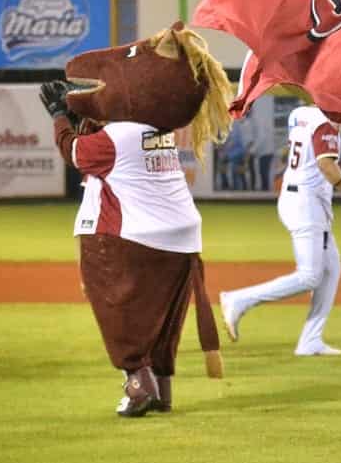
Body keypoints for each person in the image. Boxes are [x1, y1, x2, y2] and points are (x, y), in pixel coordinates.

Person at [41, 22, 231, 417]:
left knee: (116, 306)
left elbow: (76, 153)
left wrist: (59, 116)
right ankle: (162, 388)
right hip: (181, 239)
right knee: (164, 319)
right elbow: (106, 147)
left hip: (130, 232)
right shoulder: (156, 130)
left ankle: (136, 381)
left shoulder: (123, 134)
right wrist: (77, 113)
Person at [219, 100, 341, 356]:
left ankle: (310, 340)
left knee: (331, 268)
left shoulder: (300, 112)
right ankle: (239, 300)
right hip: (306, 203)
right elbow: (327, 165)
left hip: (298, 196)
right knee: (310, 276)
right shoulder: (325, 122)